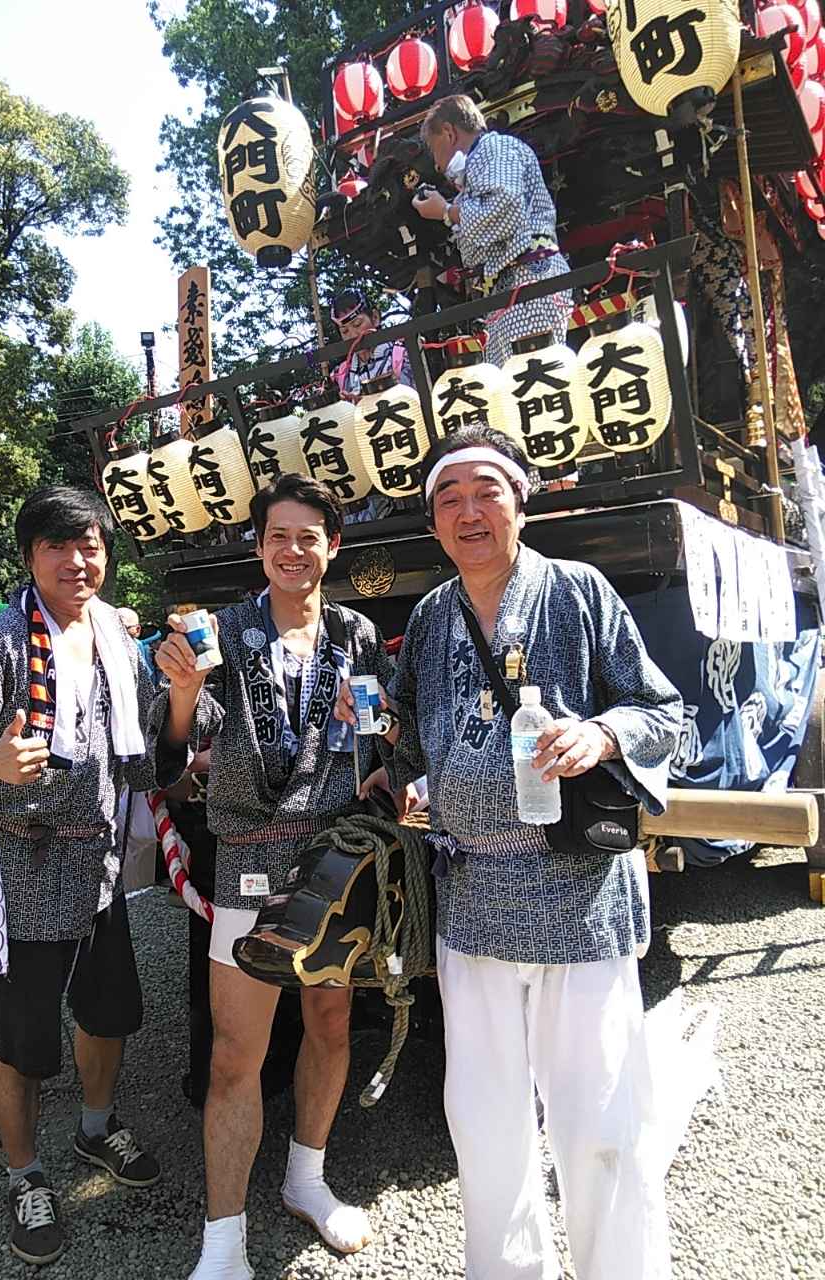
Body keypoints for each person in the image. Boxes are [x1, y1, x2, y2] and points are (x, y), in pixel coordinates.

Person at [336, 425, 683, 1280]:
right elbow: (413, 734)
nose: (469, 512)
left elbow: (661, 710)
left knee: (599, 1123)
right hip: (473, 900)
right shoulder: (430, 617)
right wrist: (392, 761)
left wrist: (602, 734)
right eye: (449, 499)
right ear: (433, 525)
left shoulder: (577, 590)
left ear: (520, 505)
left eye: (486, 491)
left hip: (578, 894)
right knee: (486, 1127)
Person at [0, 486, 175, 1268]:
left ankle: (96, 1128)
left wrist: (190, 691)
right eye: (57, 546)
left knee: (108, 1014)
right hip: (22, 865)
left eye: (90, 545)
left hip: (98, 864)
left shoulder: (117, 638)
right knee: (21, 1040)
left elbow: (154, 732)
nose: (77, 561)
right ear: (31, 556)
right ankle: (24, 1174)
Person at [153, 472, 396, 1280]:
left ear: (334, 546)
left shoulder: (356, 634)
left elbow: (381, 735)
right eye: (278, 536)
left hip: (335, 856)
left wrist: (377, 734)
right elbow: (177, 745)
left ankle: (306, 1180)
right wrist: (183, 692)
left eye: (308, 537)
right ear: (259, 548)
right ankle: (223, 1241)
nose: (294, 550)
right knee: (235, 1054)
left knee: (331, 1024)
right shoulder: (221, 632)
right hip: (251, 859)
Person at [412, 96, 572, 367]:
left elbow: (503, 207)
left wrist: (446, 211)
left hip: (527, 279)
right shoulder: (482, 162)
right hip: (510, 288)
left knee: (532, 375)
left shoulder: (493, 148)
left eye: (433, 147)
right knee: (519, 380)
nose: (437, 164)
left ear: (449, 133)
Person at [330, 288, 414, 401]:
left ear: (375, 318)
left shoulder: (403, 355)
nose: (353, 335)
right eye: (345, 331)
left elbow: (414, 397)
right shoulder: (341, 374)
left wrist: (365, 402)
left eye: (357, 324)